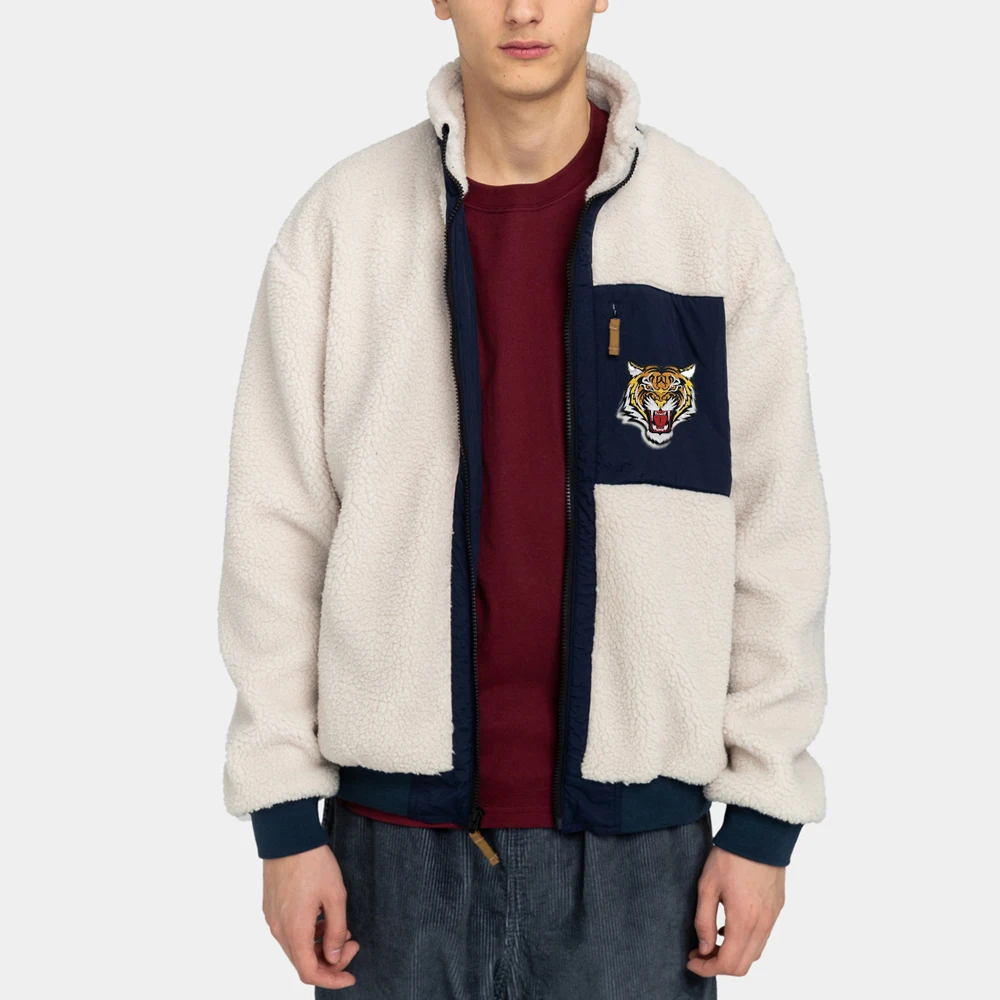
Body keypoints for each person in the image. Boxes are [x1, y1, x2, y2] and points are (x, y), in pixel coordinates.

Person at [217, 1, 830, 996]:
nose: (523, 9)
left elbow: (775, 531)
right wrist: (283, 817)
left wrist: (763, 814)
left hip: (641, 868)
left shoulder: (711, 231)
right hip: (387, 860)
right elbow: (275, 528)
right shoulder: (342, 227)